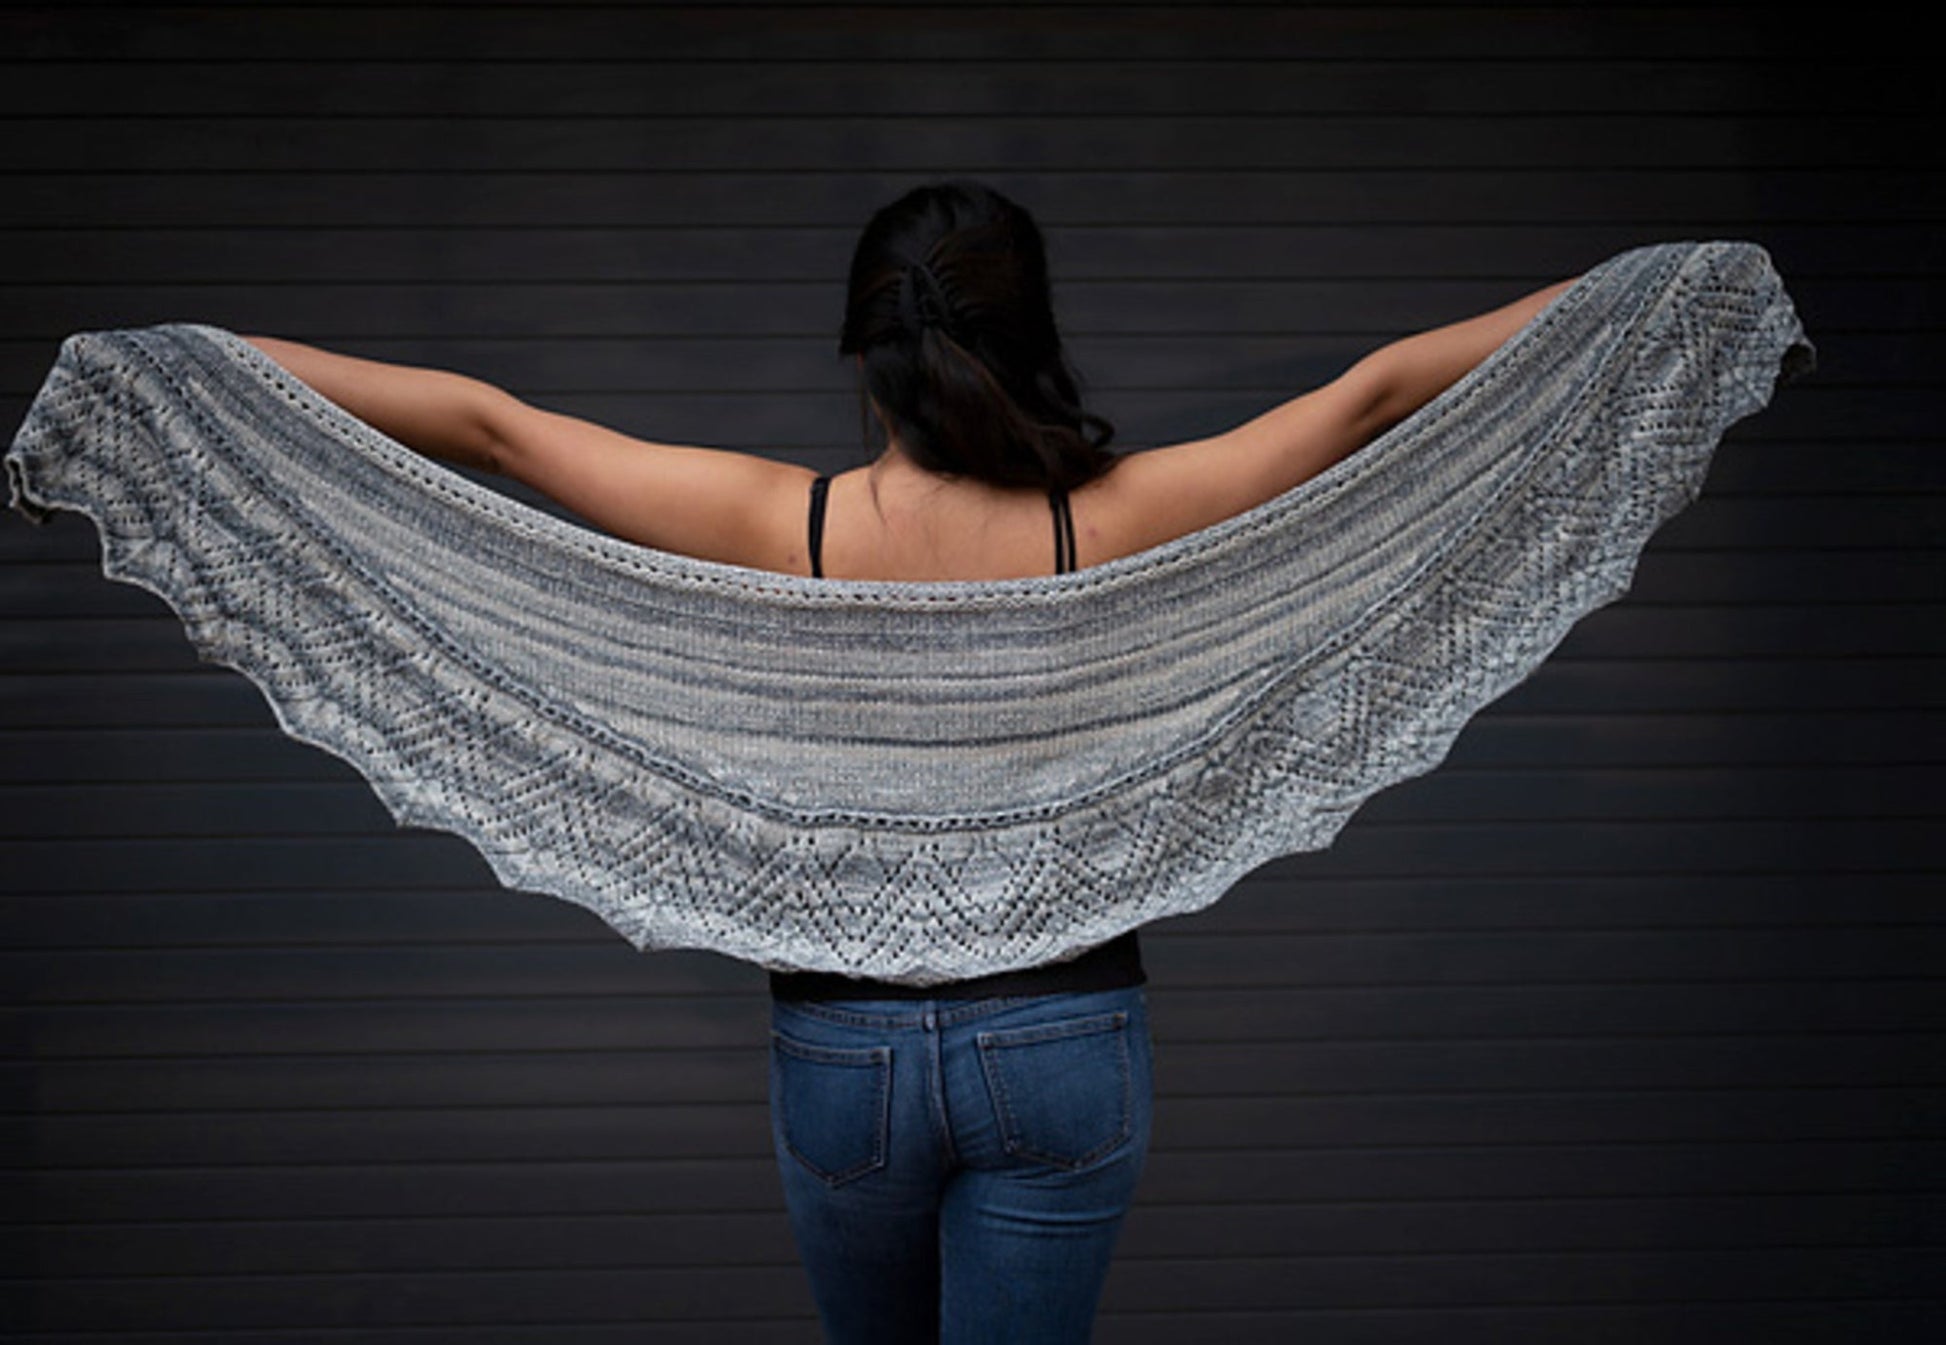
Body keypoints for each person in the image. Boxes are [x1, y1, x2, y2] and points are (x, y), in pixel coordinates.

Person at [243, 180, 1573, 1344]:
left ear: (864, 354)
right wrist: (1639, 292)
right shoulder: (1107, 518)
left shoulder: (781, 522)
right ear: (1027, 341)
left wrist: (199, 364)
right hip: (1063, 1038)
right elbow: (1371, 398)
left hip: (845, 1054)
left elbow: (490, 428)